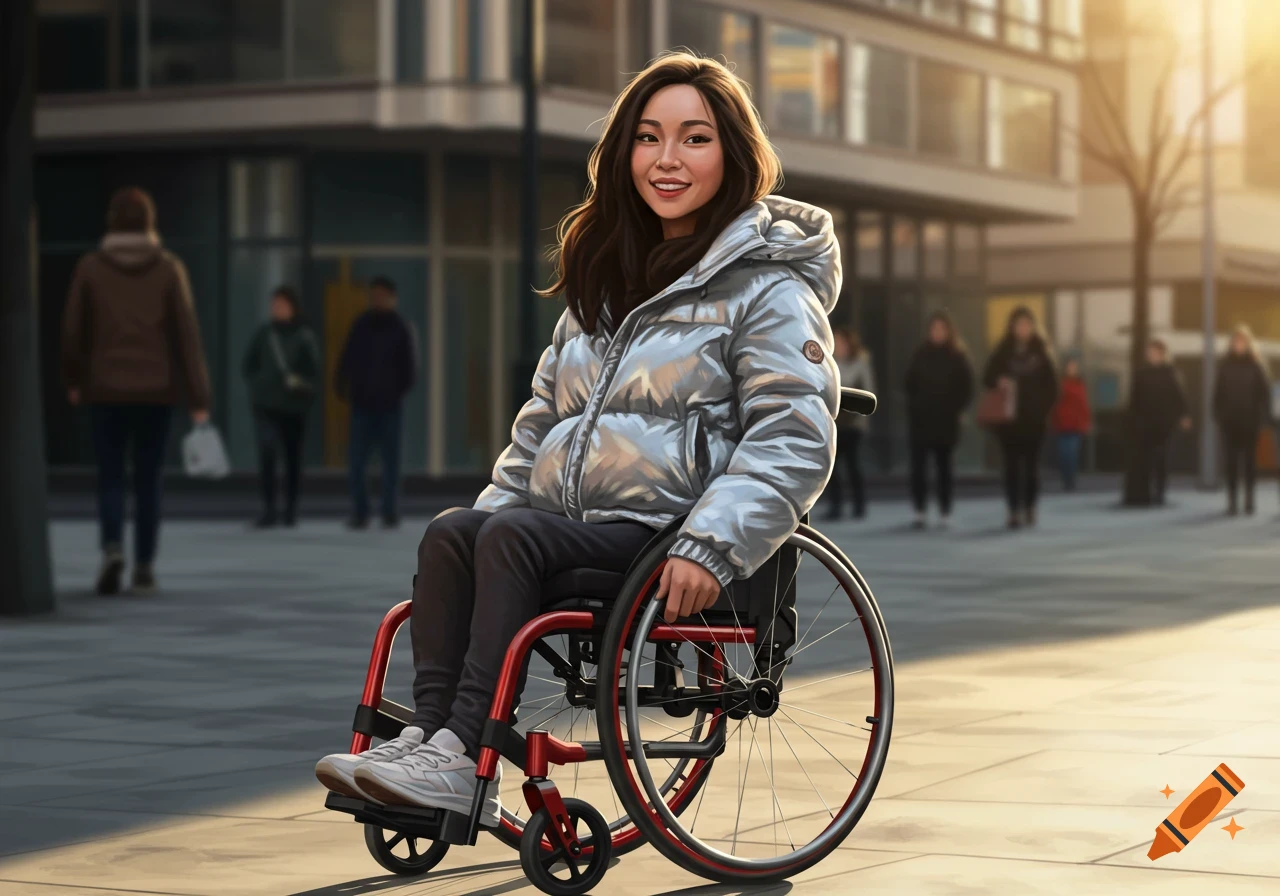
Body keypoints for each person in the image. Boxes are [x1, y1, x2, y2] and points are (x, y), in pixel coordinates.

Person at [315, 53, 839, 824]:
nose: (667, 159)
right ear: (623, 152)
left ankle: (463, 752)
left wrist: (711, 543)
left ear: (732, 155)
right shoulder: (603, 284)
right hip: (573, 528)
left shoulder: (769, 288)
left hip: (670, 536)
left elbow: (795, 432)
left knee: (512, 540)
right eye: (649, 138)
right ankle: (431, 739)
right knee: (456, 533)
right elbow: (540, 426)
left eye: (694, 139)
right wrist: (490, 517)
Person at [60, 186, 212, 596]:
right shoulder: (167, 268)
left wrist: (74, 379)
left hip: (104, 390)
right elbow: (187, 335)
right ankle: (144, 566)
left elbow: (73, 330)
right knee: (148, 480)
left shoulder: (91, 268)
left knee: (110, 476)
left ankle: (112, 548)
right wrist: (199, 396)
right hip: (156, 392)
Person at [335, 275, 418, 529]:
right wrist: (342, 385)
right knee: (357, 462)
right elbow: (347, 358)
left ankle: (389, 511)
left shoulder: (400, 327)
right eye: (374, 295)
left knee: (391, 463)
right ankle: (360, 512)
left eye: (383, 295)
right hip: (362, 404)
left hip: (389, 406)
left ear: (392, 298)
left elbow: (409, 368)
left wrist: (396, 391)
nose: (378, 300)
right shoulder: (361, 325)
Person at [242, 285, 319, 527]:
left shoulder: (304, 336)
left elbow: (314, 373)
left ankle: (290, 510)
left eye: (282, 304)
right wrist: (260, 386)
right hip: (267, 406)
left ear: (292, 308)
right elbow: (248, 365)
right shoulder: (265, 334)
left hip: (295, 408)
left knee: (293, 460)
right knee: (267, 455)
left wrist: (299, 384)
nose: (277, 308)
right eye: (274, 304)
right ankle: (269, 509)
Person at [982, 306, 1058, 529]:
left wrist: (1043, 410)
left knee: (1032, 467)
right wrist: (999, 380)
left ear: (1034, 327)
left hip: (1034, 421)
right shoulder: (1003, 352)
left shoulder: (1042, 352)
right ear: (1012, 327)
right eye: (1019, 324)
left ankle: (1030, 507)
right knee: (1012, 467)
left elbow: (1053, 387)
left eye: (1027, 324)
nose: (1023, 328)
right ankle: (1013, 510)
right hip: (1009, 421)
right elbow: (986, 377)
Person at [904, 310, 974, 529]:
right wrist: (915, 405)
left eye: (941, 329)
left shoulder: (958, 356)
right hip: (922, 421)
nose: (937, 333)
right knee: (919, 468)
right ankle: (920, 511)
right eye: (934, 329)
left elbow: (967, 387)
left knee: (944, 468)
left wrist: (957, 409)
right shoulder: (920, 354)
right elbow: (908, 383)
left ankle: (945, 510)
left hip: (946, 421)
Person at [1214, 325, 1271, 516]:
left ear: (1248, 344)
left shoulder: (1256, 366)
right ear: (1231, 344)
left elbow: (1264, 395)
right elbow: (1217, 394)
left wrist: (1262, 418)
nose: (1238, 344)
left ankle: (1249, 501)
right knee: (1231, 463)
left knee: (1249, 463)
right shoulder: (1225, 366)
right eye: (1235, 341)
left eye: (1242, 341)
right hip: (1229, 422)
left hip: (1250, 422)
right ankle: (1232, 502)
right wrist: (1219, 415)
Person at [1129, 340, 1190, 506]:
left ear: (1162, 354)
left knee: (1161, 458)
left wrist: (1184, 415)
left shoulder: (1170, 372)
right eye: (1150, 351)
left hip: (1164, 423)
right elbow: (1135, 399)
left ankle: (1160, 491)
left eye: (1155, 351)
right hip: (1145, 423)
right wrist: (1133, 420)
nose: (1152, 354)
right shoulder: (1142, 373)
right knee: (1147, 458)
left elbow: (1179, 396)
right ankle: (1147, 491)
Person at [825, 328, 874, 520]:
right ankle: (836, 506)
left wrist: (861, 423)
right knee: (833, 467)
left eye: (841, 342)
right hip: (834, 424)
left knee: (853, 466)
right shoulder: (829, 363)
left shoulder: (860, 363)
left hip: (853, 425)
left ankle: (859, 505)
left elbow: (869, 391)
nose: (839, 346)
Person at [1051, 357, 1092, 493]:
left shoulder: (1080, 384)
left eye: (1074, 367)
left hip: (1075, 424)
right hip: (1062, 424)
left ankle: (1071, 481)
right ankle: (1066, 479)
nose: (1072, 370)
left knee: (1072, 454)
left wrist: (1086, 423)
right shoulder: (1060, 384)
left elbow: (1084, 405)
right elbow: (1055, 403)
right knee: (1063, 454)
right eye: (1070, 367)